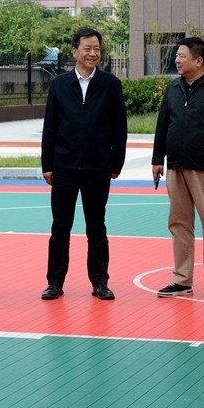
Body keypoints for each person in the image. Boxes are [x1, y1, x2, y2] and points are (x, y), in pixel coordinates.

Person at [41, 28, 127, 301]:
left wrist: (116, 163)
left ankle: (100, 282)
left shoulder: (111, 85)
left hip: (98, 167)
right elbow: (50, 127)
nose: (93, 53)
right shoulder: (60, 84)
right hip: (64, 167)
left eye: (97, 49)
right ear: (74, 51)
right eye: (87, 48)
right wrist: (47, 165)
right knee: (60, 227)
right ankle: (55, 282)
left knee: (97, 226)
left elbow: (119, 129)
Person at [151, 37, 204, 301]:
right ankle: (181, 280)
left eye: (182, 56)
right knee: (179, 224)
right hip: (176, 165)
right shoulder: (173, 88)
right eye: (177, 56)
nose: (176, 60)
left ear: (199, 61)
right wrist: (158, 159)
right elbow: (163, 124)